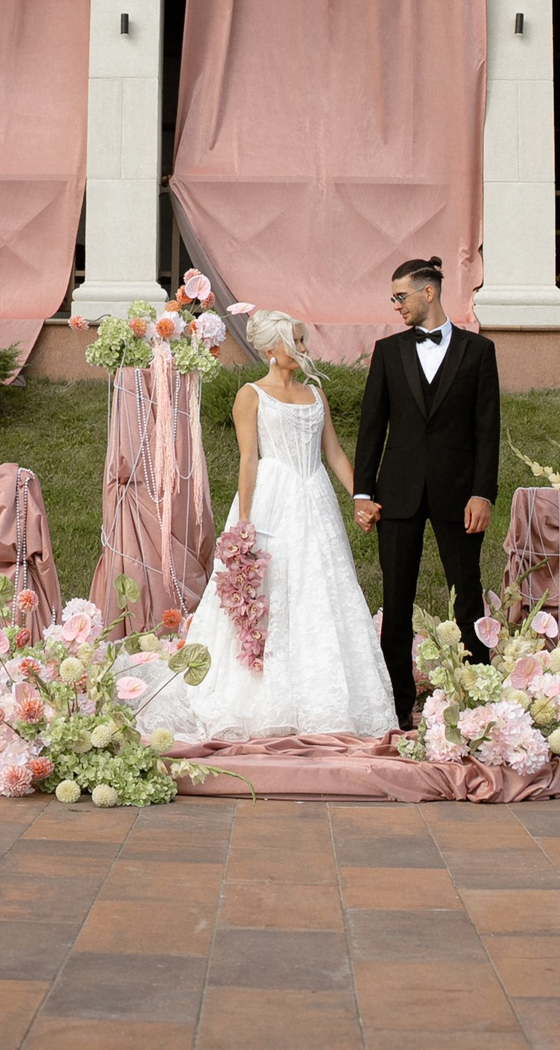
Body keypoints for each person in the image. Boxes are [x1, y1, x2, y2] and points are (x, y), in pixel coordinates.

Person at [154, 310, 395, 741]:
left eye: (303, 341)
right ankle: (256, 697)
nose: (303, 349)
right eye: (296, 342)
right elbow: (249, 458)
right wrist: (245, 523)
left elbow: (335, 454)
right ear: (270, 350)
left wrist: (361, 498)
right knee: (272, 589)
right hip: (273, 498)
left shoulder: (314, 393)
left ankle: (323, 696)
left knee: (320, 589)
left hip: (315, 496)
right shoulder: (251, 395)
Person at [352, 255, 502, 730]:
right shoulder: (388, 351)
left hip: (460, 497)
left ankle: (477, 702)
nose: (396, 305)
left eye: (401, 296)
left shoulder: (479, 352)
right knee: (396, 602)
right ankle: (398, 711)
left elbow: (487, 430)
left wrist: (483, 493)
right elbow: (372, 427)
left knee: (468, 596)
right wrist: (361, 493)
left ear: (428, 292)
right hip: (396, 495)